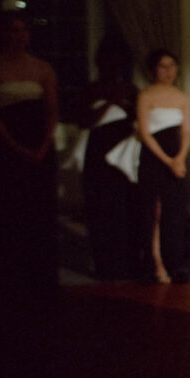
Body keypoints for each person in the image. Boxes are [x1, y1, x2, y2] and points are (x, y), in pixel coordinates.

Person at [0, 11, 60, 295]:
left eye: (23, 30)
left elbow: (51, 112)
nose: (19, 35)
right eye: (13, 30)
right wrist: (15, 146)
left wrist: (44, 145)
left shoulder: (42, 68)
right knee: (8, 211)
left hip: (39, 144)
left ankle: (41, 277)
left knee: (40, 211)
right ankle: (9, 278)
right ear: (2, 34)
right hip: (4, 147)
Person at [77, 37, 140, 281]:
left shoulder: (132, 90)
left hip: (125, 152)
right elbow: (84, 121)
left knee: (127, 208)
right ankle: (105, 262)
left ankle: (130, 261)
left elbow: (141, 119)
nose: (115, 66)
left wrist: (129, 108)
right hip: (99, 153)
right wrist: (110, 104)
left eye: (120, 61)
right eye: (110, 61)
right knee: (101, 209)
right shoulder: (91, 89)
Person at [136, 49, 190, 284]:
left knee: (175, 211)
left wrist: (179, 158)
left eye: (172, 66)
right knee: (154, 212)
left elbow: (186, 131)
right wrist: (167, 160)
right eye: (163, 66)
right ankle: (154, 263)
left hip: (176, 156)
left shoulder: (182, 97)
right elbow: (145, 133)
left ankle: (175, 263)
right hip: (153, 158)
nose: (168, 71)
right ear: (153, 70)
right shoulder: (146, 95)